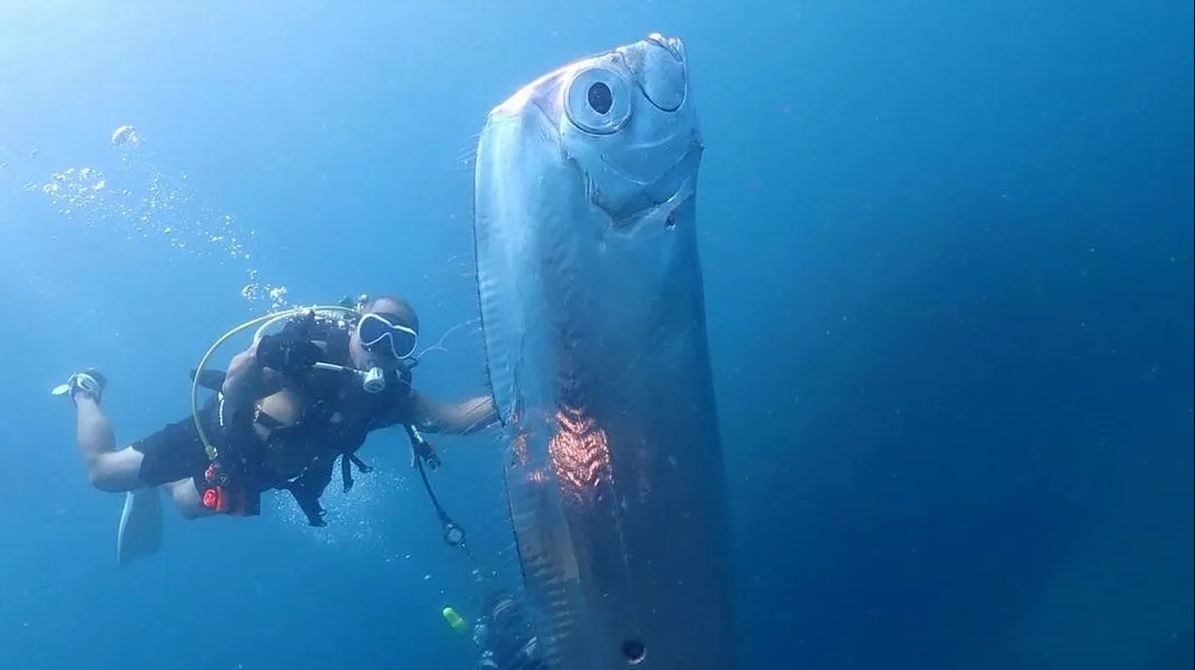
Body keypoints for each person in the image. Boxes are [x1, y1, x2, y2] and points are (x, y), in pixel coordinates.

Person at [56, 295, 497, 564]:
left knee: (190, 506)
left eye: (398, 341)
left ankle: (153, 484)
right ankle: (85, 389)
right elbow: (235, 375)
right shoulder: (312, 349)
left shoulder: (391, 397)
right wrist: (268, 354)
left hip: (262, 471)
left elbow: (456, 419)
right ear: (357, 324)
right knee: (101, 473)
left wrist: (531, 392)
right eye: (375, 331)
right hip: (221, 436)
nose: (381, 348)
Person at [472, 589, 545, 670]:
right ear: (495, 626)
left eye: (515, 612)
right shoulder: (494, 652)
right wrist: (525, 655)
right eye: (504, 619)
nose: (511, 619)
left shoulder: (537, 626)